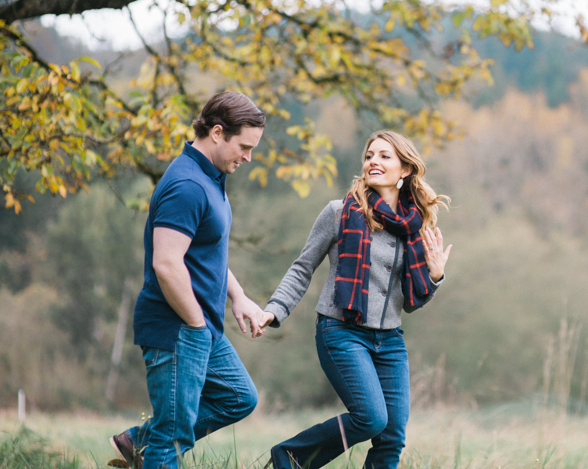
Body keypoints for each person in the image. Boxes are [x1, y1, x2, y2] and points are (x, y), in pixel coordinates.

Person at [261, 130, 451, 469]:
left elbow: (411, 301)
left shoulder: (414, 227)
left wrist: (435, 278)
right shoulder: (339, 212)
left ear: (405, 169)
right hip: (341, 331)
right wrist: (274, 310)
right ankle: (288, 458)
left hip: (390, 341)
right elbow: (303, 267)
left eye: (384, 156)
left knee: (391, 437)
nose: (373, 161)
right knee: (370, 418)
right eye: (369, 156)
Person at [109, 91, 268, 469]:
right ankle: (153, 444)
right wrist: (196, 324)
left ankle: (140, 441)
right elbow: (166, 263)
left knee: (239, 397)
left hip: (200, 327)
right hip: (178, 327)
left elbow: (204, 251)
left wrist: (238, 296)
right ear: (217, 132)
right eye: (243, 147)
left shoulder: (209, 178)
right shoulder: (188, 185)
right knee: (172, 440)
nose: (248, 157)